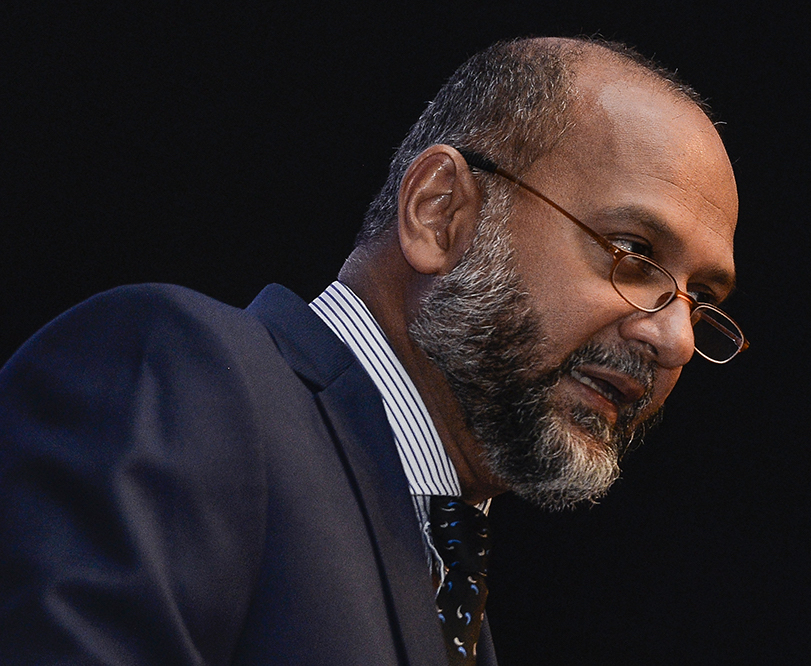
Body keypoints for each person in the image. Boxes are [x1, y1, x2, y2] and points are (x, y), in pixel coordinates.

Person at [0, 36, 745, 665]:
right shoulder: (178, 373)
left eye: (701, 299)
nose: (675, 337)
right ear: (439, 211)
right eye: (632, 250)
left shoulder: (455, 582)